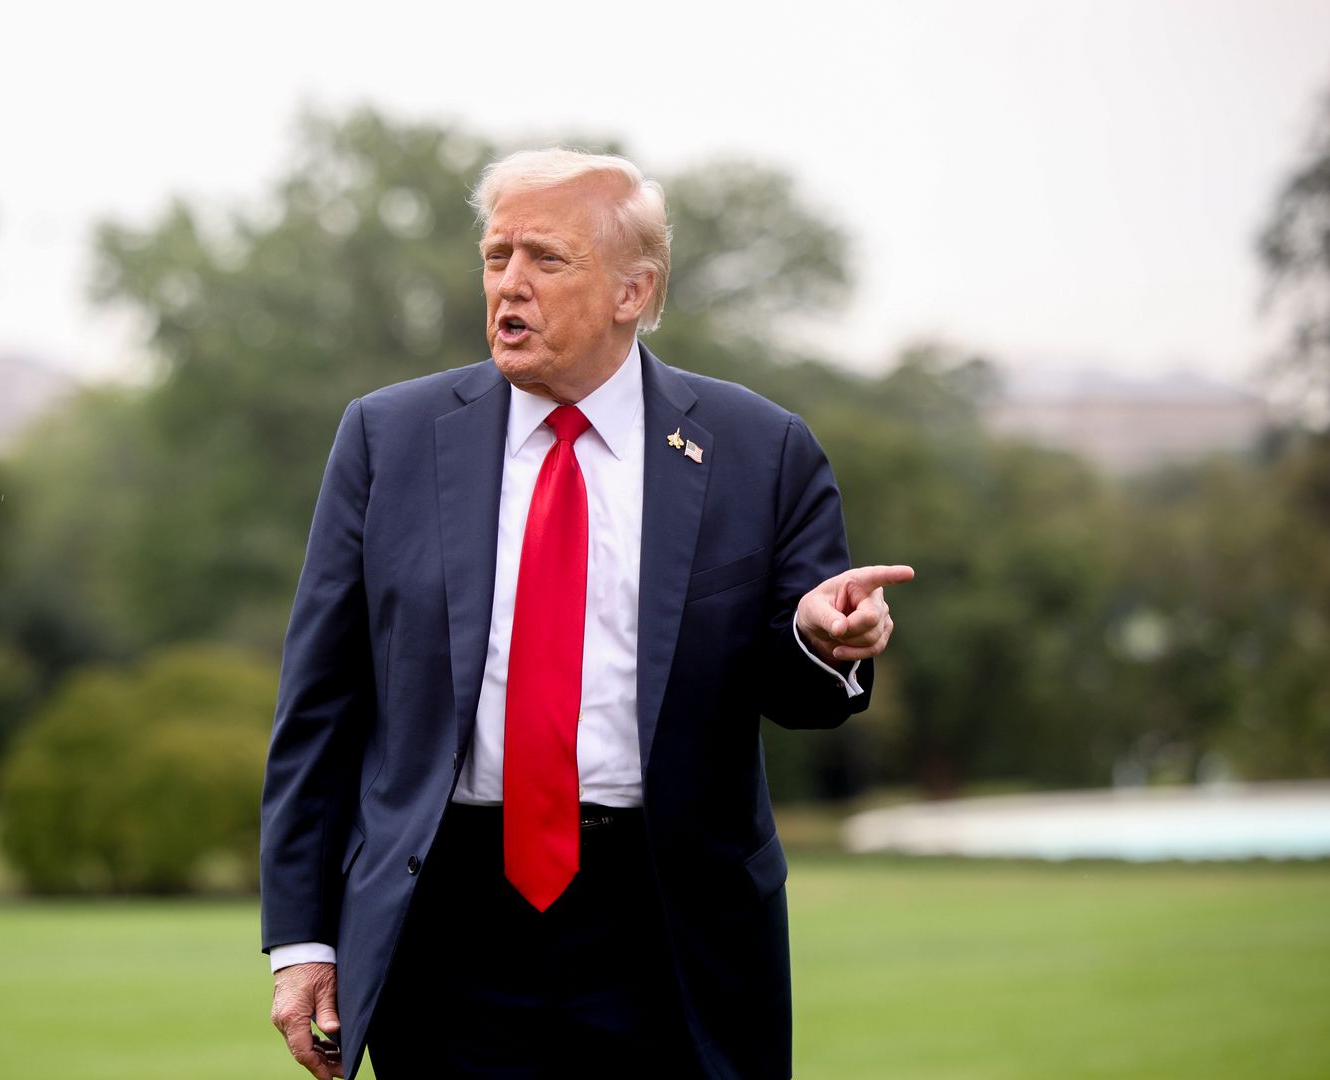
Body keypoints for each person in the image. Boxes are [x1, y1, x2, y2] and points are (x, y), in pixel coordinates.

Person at [260, 147, 910, 1079]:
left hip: (672, 930)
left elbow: (802, 692)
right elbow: (318, 705)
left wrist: (817, 641)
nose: (508, 284)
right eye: (496, 256)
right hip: (446, 927)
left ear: (632, 292)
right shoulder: (387, 438)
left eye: (546, 259)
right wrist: (300, 943)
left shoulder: (760, 451)